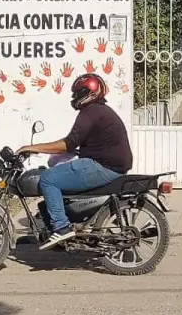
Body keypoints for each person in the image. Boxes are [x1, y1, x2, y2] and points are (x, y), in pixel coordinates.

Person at [16, 72, 132, 250]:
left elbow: (68, 143)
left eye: (78, 93)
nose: (75, 97)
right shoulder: (98, 111)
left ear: (90, 92)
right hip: (107, 163)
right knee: (58, 172)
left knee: (48, 178)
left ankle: (62, 228)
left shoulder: (92, 112)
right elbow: (76, 144)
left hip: (103, 166)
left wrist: (32, 148)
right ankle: (63, 225)